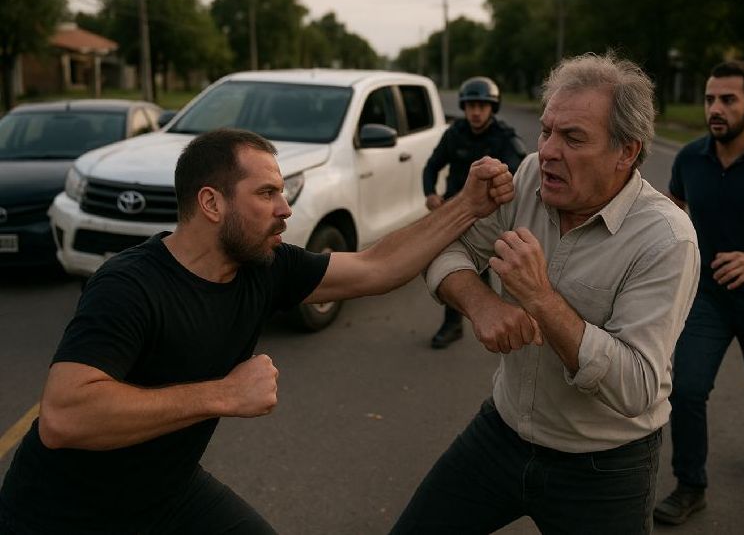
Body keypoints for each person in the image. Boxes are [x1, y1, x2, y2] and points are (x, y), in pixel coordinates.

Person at [0, 128, 514, 535]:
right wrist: (221, 394)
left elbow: (376, 268)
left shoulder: (264, 268)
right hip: (64, 517)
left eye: (283, 191)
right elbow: (66, 416)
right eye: (267, 193)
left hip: (168, 495)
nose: (285, 207)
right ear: (211, 203)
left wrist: (466, 205)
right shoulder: (128, 285)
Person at [390, 53, 700, 535]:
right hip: (502, 433)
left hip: (604, 469)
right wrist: (481, 303)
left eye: (573, 137)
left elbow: (637, 386)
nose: (549, 150)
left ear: (626, 152)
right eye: (547, 129)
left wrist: (540, 298)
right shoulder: (532, 173)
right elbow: (446, 247)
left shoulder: (665, 238)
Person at [654, 60, 744, 526]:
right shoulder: (690, 158)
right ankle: (691, 484)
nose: (714, 108)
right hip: (708, 297)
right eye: (710, 98)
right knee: (687, 388)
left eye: (727, 100)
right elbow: (671, 214)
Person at [422, 76, 527, 348]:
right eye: (470, 106)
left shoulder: (505, 137)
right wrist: (431, 194)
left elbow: (521, 176)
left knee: (499, 269)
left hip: (491, 217)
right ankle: (454, 323)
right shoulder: (454, 133)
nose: (476, 112)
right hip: (454, 213)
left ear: (493, 107)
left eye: (482, 105)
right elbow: (432, 165)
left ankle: (508, 323)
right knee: (457, 267)